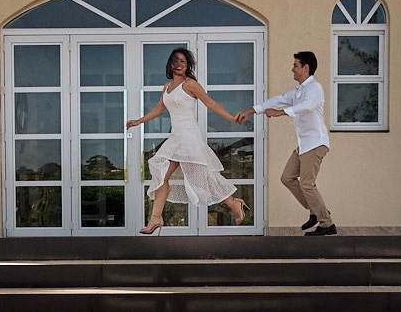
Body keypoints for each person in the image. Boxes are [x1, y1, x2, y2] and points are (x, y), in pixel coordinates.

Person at [126, 48, 248, 234]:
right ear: (170, 63)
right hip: (175, 138)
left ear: (187, 65)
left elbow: (210, 103)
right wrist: (138, 121)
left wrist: (232, 118)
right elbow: (159, 109)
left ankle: (234, 203)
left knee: (203, 178)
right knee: (161, 175)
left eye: (183, 61)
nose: (179, 64)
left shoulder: (190, 85)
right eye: (176, 60)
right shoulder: (167, 87)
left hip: (189, 137)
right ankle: (156, 219)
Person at [235, 51, 336, 235]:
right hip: (304, 145)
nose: (292, 69)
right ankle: (315, 210)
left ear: (305, 68)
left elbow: (307, 107)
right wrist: (251, 111)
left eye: (295, 65)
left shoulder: (315, 88)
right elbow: (277, 99)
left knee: (307, 184)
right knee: (287, 177)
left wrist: (280, 113)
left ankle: (326, 224)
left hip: (315, 143)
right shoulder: (298, 91)